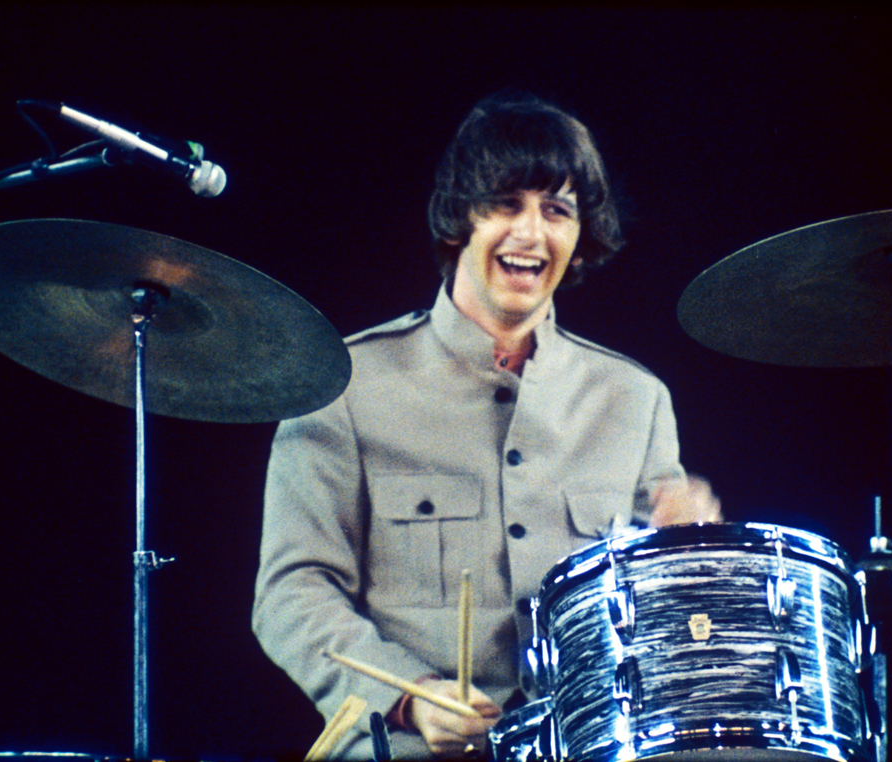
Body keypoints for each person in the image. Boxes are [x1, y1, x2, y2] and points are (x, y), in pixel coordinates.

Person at [252, 93, 721, 759]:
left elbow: (667, 630)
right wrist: (409, 696)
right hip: (409, 746)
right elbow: (290, 594)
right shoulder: (341, 386)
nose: (532, 233)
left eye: (557, 211)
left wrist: (688, 558)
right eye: (506, 204)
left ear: (580, 234)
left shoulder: (636, 399)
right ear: (460, 219)